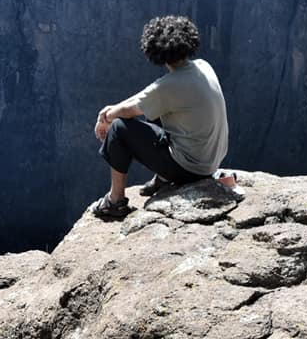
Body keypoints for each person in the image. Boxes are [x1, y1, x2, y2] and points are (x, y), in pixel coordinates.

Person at [90, 15, 229, 220]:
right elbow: (147, 96)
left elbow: (134, 108)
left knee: (120, 128)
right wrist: (113, 108)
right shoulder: (202, 66)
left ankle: (115, 201)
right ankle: (163, 178)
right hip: (210, 160)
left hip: (191, 169)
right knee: (152, 110)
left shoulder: (170, 86)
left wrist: (107, 118)